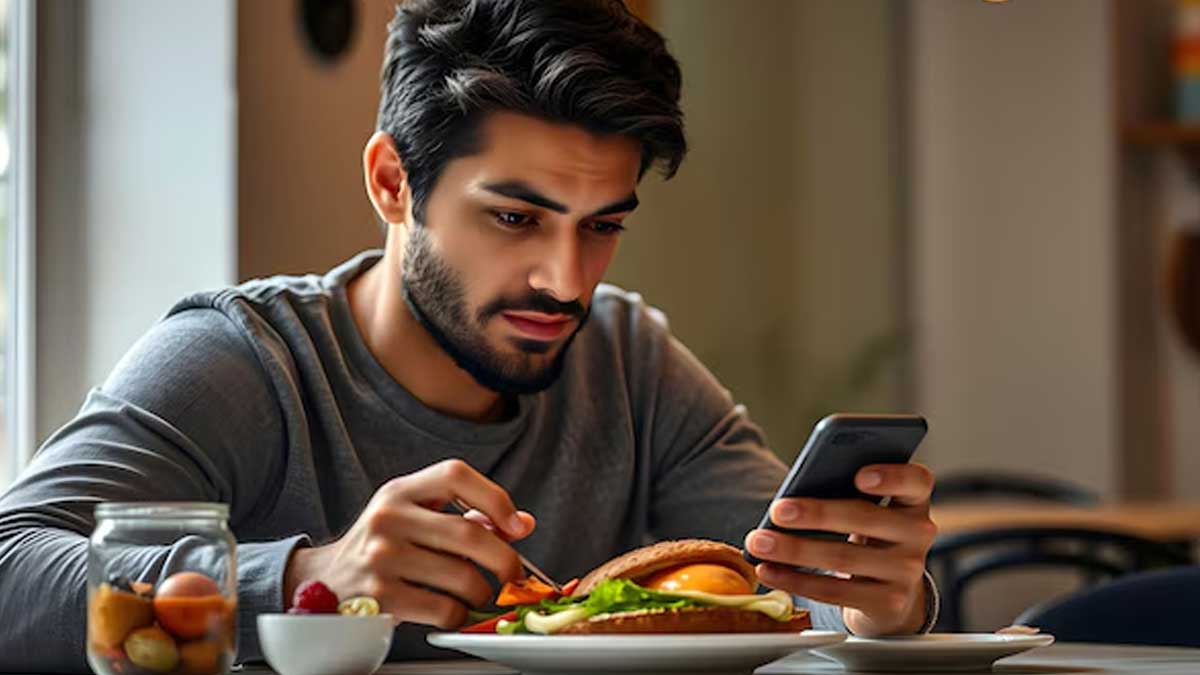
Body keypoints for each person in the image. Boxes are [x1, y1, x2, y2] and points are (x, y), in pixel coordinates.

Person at [0, 0, 938, 670]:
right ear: (392, 182)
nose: (567, 283)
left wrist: (879, 600)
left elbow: (790, 579)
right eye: (516, 219)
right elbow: (10, 573)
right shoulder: (248, 362)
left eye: (603, 225)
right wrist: (309, 575)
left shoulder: (629, 361)